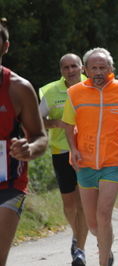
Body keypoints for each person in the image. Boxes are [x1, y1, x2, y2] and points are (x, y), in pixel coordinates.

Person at [62, 47, 118, 266]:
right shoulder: (75, 92)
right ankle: (105, 245)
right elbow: (68, 125)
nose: (98, 72)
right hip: (84, 161)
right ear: (85, 69)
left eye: (102, 67)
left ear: (111, 68)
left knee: (104, 214)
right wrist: (73, 149)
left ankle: (103, 261)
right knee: (93, 224)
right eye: (93, 67)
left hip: (114, 160)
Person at [0, 18, 47, 266]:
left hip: (9, 183)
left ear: (5, 46)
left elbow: (40, 136)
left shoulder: (19, 88)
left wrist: (29, 149)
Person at [38, 53, 89, 265]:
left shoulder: (93, 87)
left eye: (74, 66)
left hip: (87, 151)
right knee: (70, 205)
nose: (70, 71)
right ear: (61, 71)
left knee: (83, 202)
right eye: (66, 67)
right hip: (61, 152)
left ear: (82, 68)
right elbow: (38, 120)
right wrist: (58, 123)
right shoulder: (50, 91)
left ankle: (80, 248)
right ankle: (76, 234)